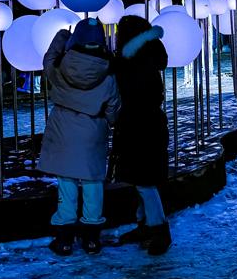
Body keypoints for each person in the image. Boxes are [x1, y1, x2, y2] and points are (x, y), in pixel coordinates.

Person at [39, 18, 120, 256]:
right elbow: (114, 108)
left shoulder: (61, 66)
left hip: (63, 127)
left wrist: (62, 35)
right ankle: (92, 239)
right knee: (93, 183)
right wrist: (109, 121)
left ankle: (64, 239)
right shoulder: (108, 73)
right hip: (92, 130)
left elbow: (47, 61)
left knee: (67, 182)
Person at [111, 17, 172, 256]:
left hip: (140, 125)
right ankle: (146, 225)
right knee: (142, 179)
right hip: (148, 123)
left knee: (144, 181)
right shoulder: (146, 56)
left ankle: (159, 229)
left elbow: (134, 94)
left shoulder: (132, 61)